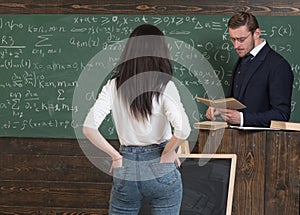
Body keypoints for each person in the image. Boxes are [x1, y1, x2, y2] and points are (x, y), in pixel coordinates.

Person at [82, 24, 191, 215]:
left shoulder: (113, 85)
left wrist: (115, 156)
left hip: (127, 167)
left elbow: (88, 128)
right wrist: (168, 152)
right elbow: (183, 129)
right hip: (161, 167)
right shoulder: (165, 84)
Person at [206, 11, 294, 127]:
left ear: (256, 33)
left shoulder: (278, 65)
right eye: (233, 39)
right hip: (235, 140)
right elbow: (237, 102)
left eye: (241, 39)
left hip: (263, 142)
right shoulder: (243, 59)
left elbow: (281, 115)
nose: (236, 45)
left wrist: (242, 118)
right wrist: (221, 109)